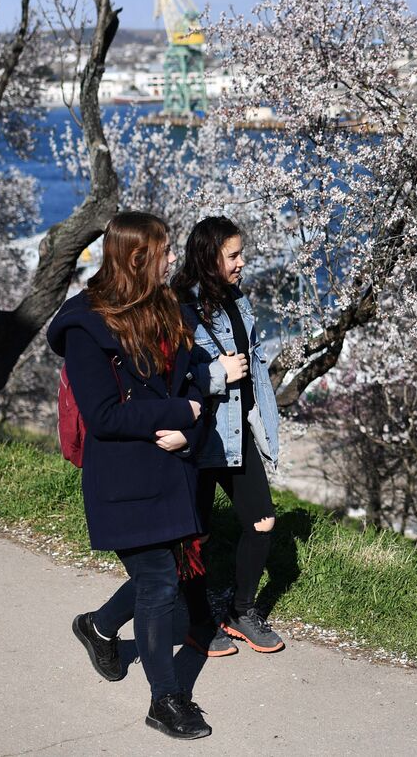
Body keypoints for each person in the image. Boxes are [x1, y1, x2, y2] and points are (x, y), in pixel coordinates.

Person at [47, 211, 215, 740]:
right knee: (161, 581)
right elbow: (103, 416)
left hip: (171, 466)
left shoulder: (170, 308)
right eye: (164, 251)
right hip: (122, 478)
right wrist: (178, 416)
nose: (172, 260)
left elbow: (192, 381)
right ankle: (166, 700)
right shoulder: (85, 325)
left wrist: (192, 423)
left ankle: (97, 627)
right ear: (138, 257)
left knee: (156, 576)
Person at [172, 215, 285, 654]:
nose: (242, 262)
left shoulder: (238, 300)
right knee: (194, 535)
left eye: (241, 254)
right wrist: (217, 375)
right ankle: (199, 621)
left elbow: (255, 367)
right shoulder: (181, 304)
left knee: (262, 521)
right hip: (200, 433)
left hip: (237, 430)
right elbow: (174, 372)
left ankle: (241, 610)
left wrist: (266, 424)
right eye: (233, 255)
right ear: (209, 256)